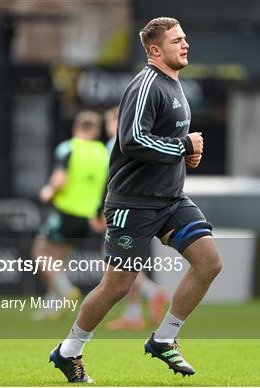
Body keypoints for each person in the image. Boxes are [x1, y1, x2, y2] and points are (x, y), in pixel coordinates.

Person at [49, 17, 222, 382]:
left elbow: (165, 143)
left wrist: (186, 152)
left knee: (209, 262)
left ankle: (164, 338)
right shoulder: (146, 85)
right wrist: (183, 146)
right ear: (155, 50)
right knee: (118, 285)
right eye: (176, 41)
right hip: (133, 203)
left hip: (171, 200)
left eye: (185, 38)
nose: (185, 44)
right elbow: (132, 141)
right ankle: (69, 350)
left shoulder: (176, 85)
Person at [32, 111, 109, 321]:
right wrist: (100, 213)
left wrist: (48, 190)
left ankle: (66, 291)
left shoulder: (69, 148)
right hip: (87, 216)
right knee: (59, 259)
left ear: (76, 127)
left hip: (65, 211)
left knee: (41, 252)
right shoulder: (103, 152)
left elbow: (59, 180)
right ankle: (52, 306)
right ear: (96, 130)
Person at [103, 106, 168, 331]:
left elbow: (110, 181)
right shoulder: (145, 141)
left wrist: (99, 212)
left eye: (110, 122)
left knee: (116, 263)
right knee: (128, 263)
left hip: (123, 210)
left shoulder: (116, 143)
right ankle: (133, 314)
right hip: (146, 209)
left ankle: (151, 291)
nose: (108, 128)